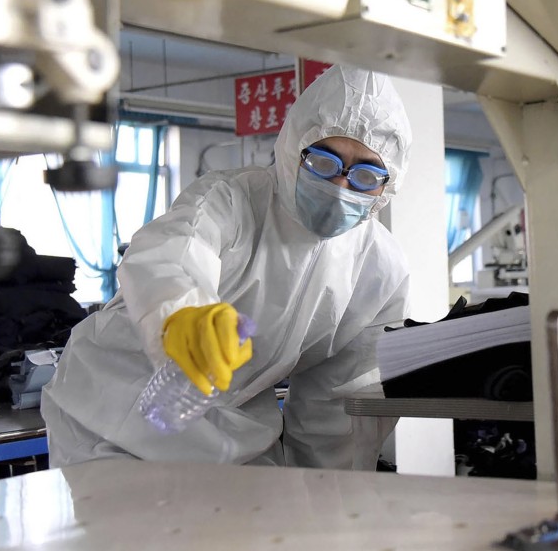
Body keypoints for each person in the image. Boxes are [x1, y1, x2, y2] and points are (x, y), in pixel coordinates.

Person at [41, 64, 413, 468]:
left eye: (364, 175)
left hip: (235, 432)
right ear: (294, 151)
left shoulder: (379, 269)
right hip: (112, 410)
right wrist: (181, 313)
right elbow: (172, 253)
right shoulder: (233, 199)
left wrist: (329, 496)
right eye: (324, 162)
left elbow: (340, 399)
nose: (340, 187)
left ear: (387, 184)